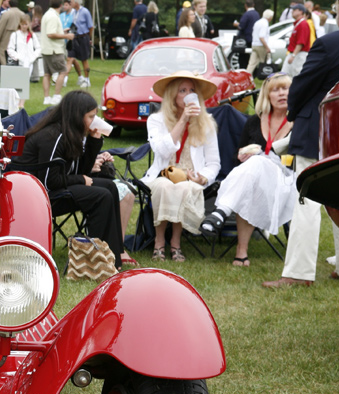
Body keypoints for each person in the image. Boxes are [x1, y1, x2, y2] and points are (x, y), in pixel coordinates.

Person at [263, 0, 339, 288]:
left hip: (320, 130)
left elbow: (302, 85)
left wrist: (292, 114)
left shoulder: (330, 43)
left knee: (307, 201)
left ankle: (299, 273)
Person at [15, 91, 137, 269]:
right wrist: (80, 179)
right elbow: (49, 181)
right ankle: (94, 259)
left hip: (57, 189)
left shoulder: (73, 133)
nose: (94, 121)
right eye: (90, 117)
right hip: (40, 198)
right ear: (76, 116)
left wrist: (94, 141)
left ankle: (113, 254)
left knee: (110, 186)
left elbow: (83, 170)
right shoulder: (52, 136)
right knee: (101, 196)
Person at [200, 73, 296, 266]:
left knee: (258, 163)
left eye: (285, 88)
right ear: (267, 95)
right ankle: (241, 252)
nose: (281, 93)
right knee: (250, 181)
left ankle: (221, 212)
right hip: (255, 181)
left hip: (286, 181)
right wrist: (242, 156)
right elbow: (240, 156)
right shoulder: (253, 122)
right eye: (275, 89)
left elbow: (299, 160)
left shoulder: (299, 122)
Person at [142, 71, 220, 262]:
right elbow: (162, 151)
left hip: (190, 176)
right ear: (172, 96)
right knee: (164, 186)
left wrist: (203, 177)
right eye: (182, 91)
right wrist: (183, 120)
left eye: (191, 90)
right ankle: (159, 242)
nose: (188, 95)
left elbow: (214, 163)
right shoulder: (156, 120)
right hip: (163, 174)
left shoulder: (206, 122)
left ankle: (175, 242)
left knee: (184, 187)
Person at [39, 0, 73, 105]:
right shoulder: (53, 16)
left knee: (47, 74)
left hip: (46, 49)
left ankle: (46, 98)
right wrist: (66, 36)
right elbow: (50, 34)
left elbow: (51, 32)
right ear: (61, 5)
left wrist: (62, 32)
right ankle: (56, 96)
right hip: (54, 49)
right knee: (63, 71)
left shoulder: (47, 14)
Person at [7, 15, 41, 98]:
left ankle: (22, 101)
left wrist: (33, 57)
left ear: (29, 24)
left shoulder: (32, 35)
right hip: (18, 62)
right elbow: (10, 49)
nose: (24, 26)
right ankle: (16, 99)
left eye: (26, 24)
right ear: (20, 24)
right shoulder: (15, 35)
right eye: (22, 24)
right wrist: (17, 57)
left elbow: (38, 48)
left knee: (25, 83)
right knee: (17, 83)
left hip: (29, 62)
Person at [284, 4, 316, 76]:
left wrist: (293, 55)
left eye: (295, 10)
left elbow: (301, 42)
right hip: (295, 53)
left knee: (295, 75)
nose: (292, 11)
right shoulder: (299, 23)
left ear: (301, 12)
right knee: (286, 75)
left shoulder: (303, 24)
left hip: (299, 54)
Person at [0, 0, 26, 73]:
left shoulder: (6, 14)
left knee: (3, 53)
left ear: (9, 4)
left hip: (7, 36)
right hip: (20, 36)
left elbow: (1, 27)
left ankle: (6, 71)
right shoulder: (22, 14)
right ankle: (19, 71)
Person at [68, 0, 92, 88]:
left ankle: (87, 79)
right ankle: (79, 77)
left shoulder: (85, 12)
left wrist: (89, 37)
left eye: (72, 2)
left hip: (83, 37)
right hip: (74, 37)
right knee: (70, 57)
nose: (70, 3)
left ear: (76, 3)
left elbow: (91, 26)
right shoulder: (73, 12)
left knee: (84, 59)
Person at [247, 9, 274, 77]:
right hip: (261, 45)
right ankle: (263, 77)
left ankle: (247, 76)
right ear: (270, 17)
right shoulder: (265, 24)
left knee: (252, 63)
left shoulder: (257, 22)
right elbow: (261, 37)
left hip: (254, 44)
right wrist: (267, 47)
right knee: (263, 63)